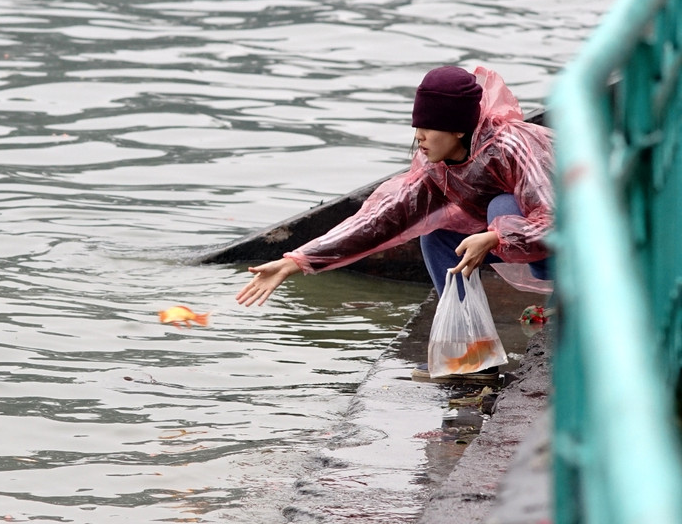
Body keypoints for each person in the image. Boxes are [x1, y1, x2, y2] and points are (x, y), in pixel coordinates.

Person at [235, 66, 553, 377]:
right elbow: (378, 222)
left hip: (585, 241)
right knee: (439, 234)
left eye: (429, 127)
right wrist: (298, 261)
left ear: (458, 129)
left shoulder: (511, 145)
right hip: (527, 239)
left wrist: (495, 237)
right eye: (417, 126)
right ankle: (471, 357)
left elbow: (556, 220)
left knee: (502, 204)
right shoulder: (437, 169)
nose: (419, 136)